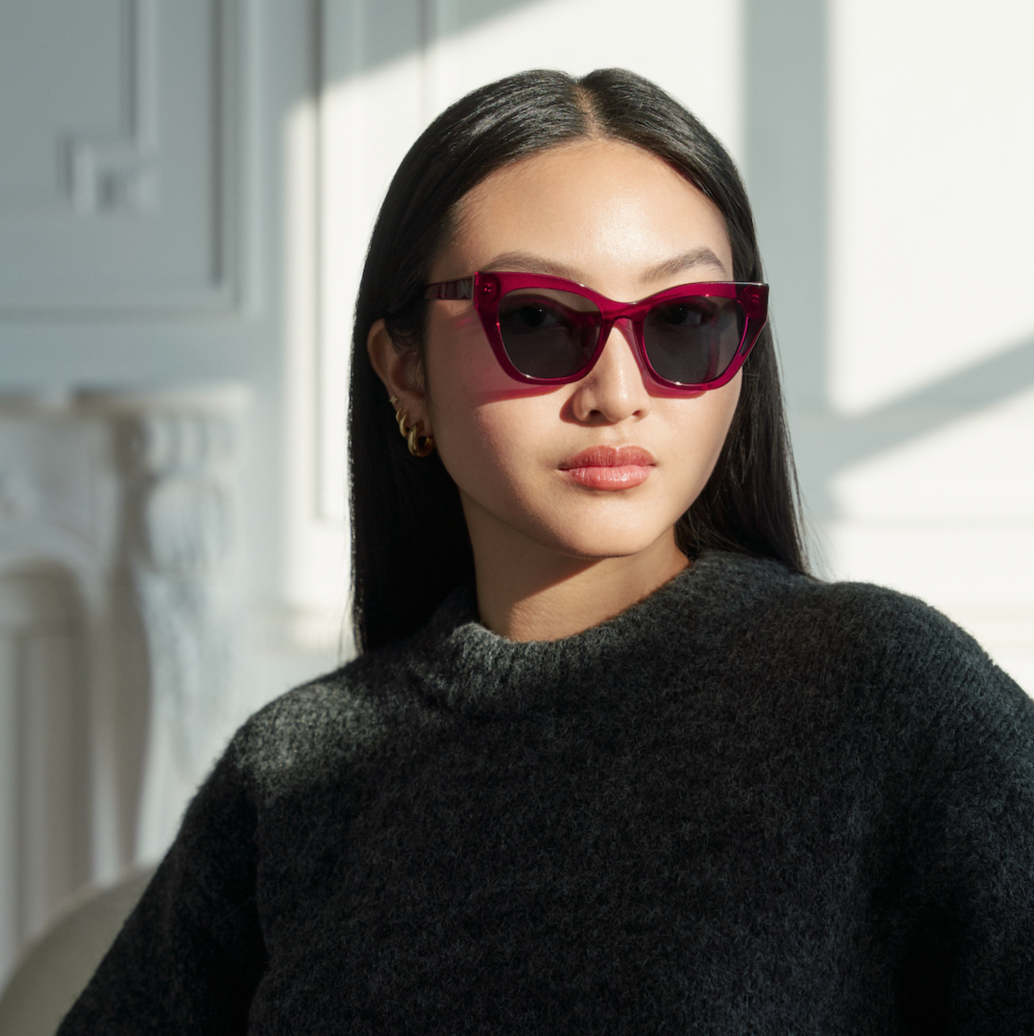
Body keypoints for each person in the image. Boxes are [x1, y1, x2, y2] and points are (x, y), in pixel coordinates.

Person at [59, 68, 1034, 1034]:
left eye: (682, 319)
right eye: (533, 319)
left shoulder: (880, 696)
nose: (617, 391)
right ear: (403, 369)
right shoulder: (293, 771)